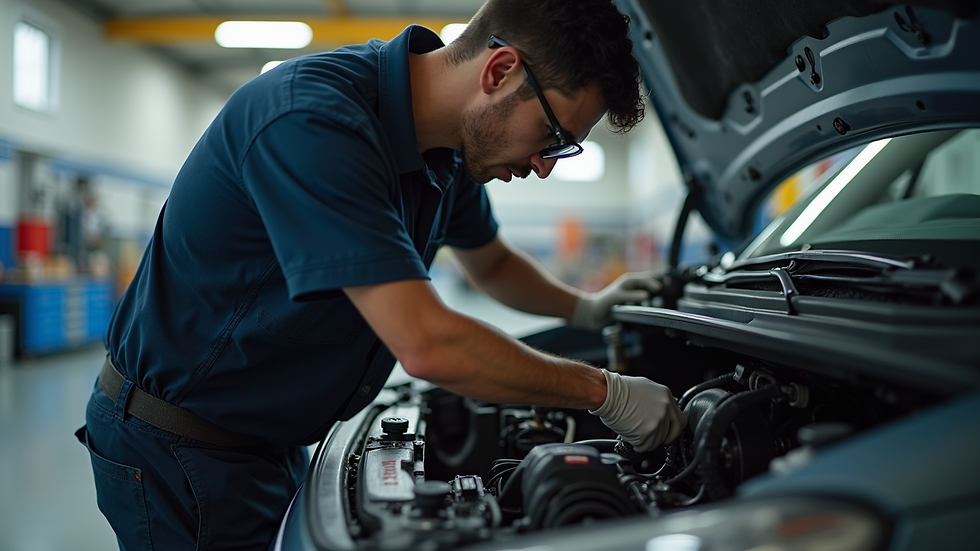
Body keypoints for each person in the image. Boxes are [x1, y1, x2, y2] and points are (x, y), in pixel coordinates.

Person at [76, 1, 686, 549]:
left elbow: (493, 263)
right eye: (553, 138)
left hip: (266, 439)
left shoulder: (447, 154)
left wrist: (587, 309)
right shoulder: (313, 123)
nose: (544, 167)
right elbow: (427, 344)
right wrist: (606, 393)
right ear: (499, 72)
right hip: (180, 449)